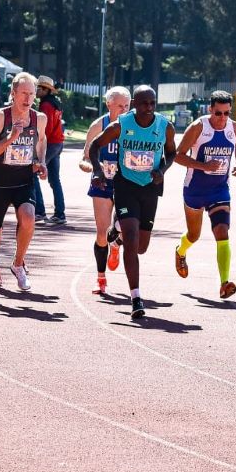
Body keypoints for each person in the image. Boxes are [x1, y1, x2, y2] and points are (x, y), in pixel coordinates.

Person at [89, 85, 176, 320]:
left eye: (152, 103)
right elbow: (95, 146)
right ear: (135, 104)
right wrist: (97, 171)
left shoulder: (164, 126)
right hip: (126, 184)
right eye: (144, 103)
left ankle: (115, 234)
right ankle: (136, 297)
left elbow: (172, 153)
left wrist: (162, 169)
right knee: (132, 238)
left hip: (150, 187)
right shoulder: (121, 125)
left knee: (141, 247)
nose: (149, 108)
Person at [0, 72, 48, 301]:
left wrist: (41, 162)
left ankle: (18, 264)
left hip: (24, 180)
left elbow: (41, 141)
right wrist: (10, 138)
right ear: (13, 93)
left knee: (28, 218)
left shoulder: (39, 118)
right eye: (24, 93)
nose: (28, 98)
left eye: (32, 93)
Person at [173, 90, 236, 298]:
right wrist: (203, 165)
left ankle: (224, 282)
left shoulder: (234, 128)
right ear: (210, 109)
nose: (222, 118)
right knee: (194, 235)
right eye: (218, 113)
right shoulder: (199, 127)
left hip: (219, 190)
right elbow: (178, 156)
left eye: (226, 113)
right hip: (195, 189)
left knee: (222, 231)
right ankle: (180, 251)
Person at [78, 86, 131, 294]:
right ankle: (101, 278)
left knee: (127, 229)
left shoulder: (133, 125)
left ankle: (116, 243)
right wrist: (93, 168)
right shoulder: (98, 125)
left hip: (127, 183)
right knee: (101, 233)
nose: (124, 110)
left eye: (127, 106)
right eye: (120, 106)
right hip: (102, 184)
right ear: (109, 104)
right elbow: (84, 158)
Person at [33, 75, 67, 224]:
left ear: (45, 89)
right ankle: (60, 214)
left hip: (50, 144)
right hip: (57, 143)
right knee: (54, 179)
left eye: (38, 88)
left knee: (31, 173)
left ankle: (39, 211)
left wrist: (38, 147)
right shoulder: (55, 103)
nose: (35, 91)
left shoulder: (46, 105)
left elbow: (45, 128)